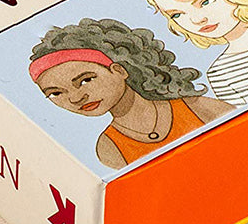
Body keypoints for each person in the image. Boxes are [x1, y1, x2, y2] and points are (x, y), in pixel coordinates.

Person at [29, 17, 232, 169]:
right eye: (55, 93)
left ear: (119, 70)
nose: (75, 98)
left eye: (86, 80)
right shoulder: (109, 148)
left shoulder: (198, 108)